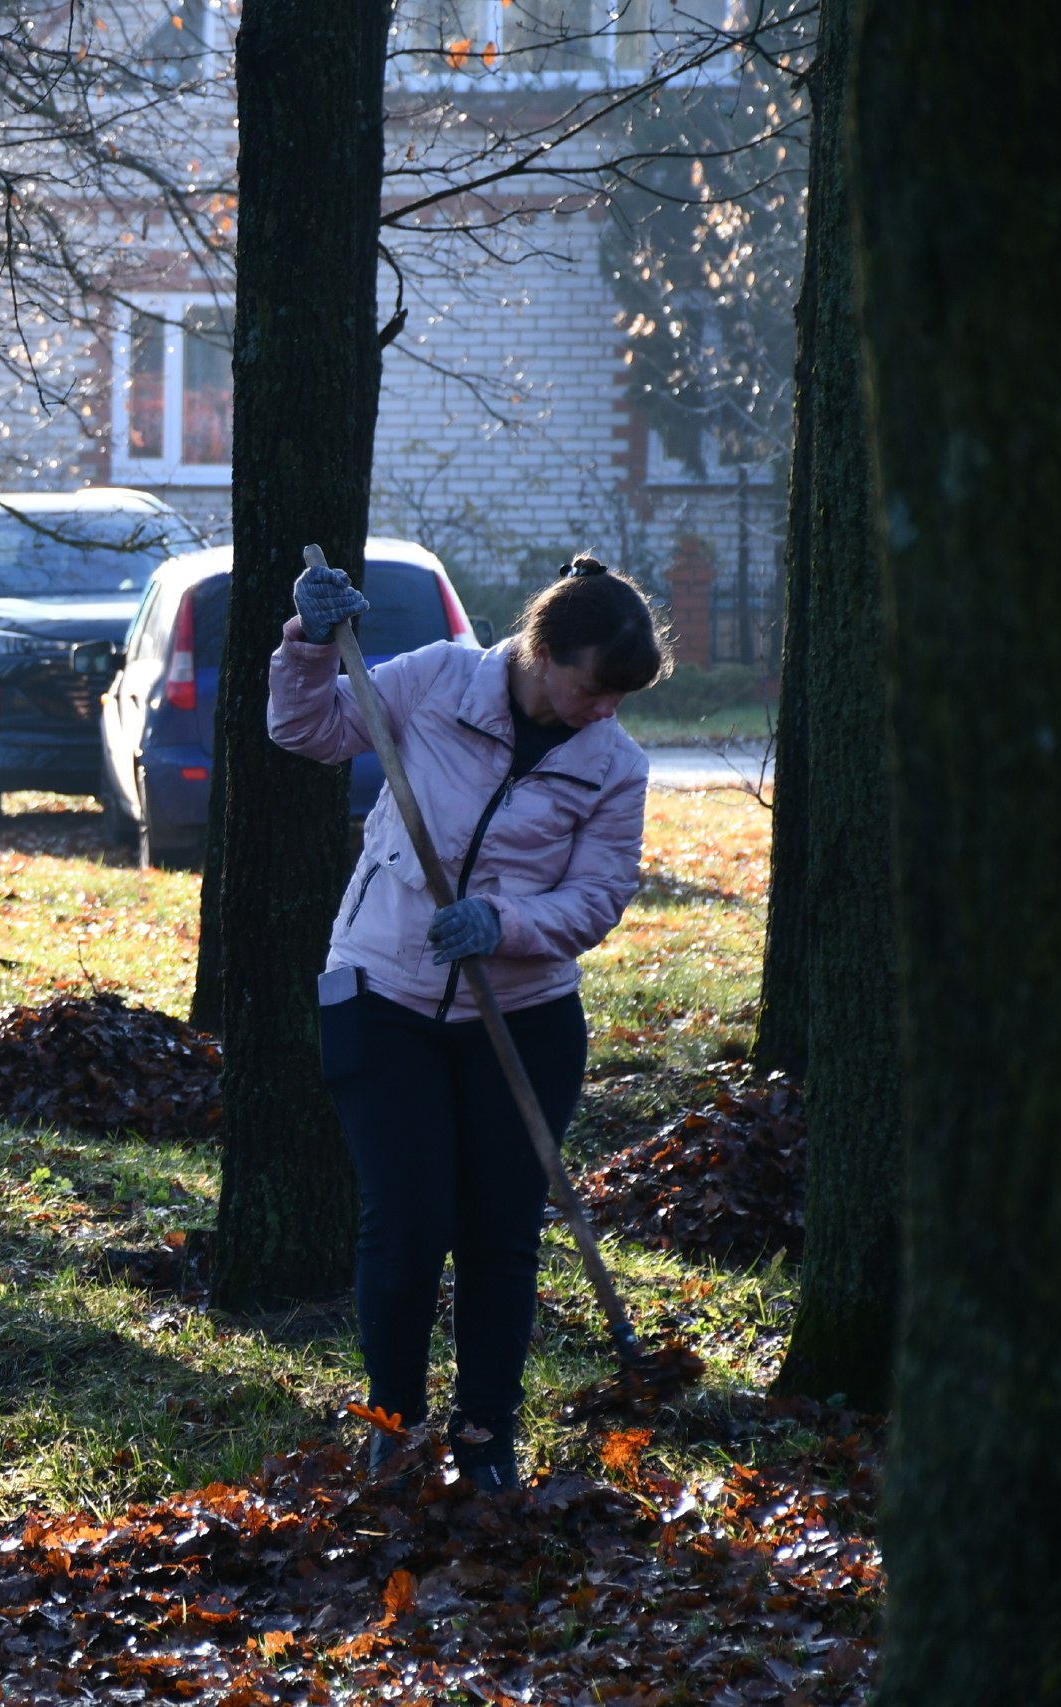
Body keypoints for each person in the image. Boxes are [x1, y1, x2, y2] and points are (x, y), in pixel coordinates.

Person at [268, 556, 663, 1491]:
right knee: (407, 1226)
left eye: (618, 697)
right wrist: (311, 644)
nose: (602, 709)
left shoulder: (614, 765)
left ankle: (486, 1437)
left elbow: (600, 895)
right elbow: (305, 729)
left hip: (522, 1019)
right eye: (593, 686)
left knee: (500, 1234)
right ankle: (391, 1426)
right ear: (544, 648)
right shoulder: (437, 681)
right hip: (382, 996)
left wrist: (507, 925)